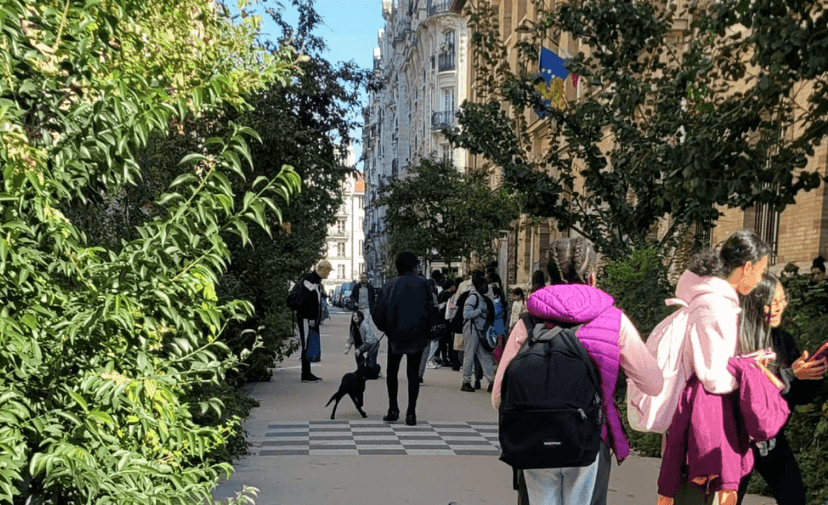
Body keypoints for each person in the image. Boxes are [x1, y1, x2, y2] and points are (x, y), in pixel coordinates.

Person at [492, 237, 664, 505]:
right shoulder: (614, 320)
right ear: (593, 276)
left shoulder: (528, 322)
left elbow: (498, 398)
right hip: (590, 439)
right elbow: (654, 384)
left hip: (532, 440)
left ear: (549, 279)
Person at [658, 230, 771, 504]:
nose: (758, 281)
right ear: (746, 268)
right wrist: (748, 368)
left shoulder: (711, 300)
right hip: (707, 427)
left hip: (697, 421)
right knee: (697, 495)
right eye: (759, 271)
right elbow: (713, 376)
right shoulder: (716, 306)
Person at [736, 273, 827, 505]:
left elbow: (797, 397)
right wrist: (789, 376)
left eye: (781, 300)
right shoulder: (735, 339)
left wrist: (811, 376)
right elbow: (748, 395)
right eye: (771, 301)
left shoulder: (782, 340)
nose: (778, 308)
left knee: (794, 497)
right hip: (738, 441)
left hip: (772, 438)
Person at [372, 251, 431, 426]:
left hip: (395, 335)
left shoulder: (390, 285)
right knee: (413, 375)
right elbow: (431, 310)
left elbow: (377, 311)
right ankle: (411, 412)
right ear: (414, 265)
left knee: (392, 372)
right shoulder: (424, 284)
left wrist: (387, 328)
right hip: (417, 335)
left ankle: (393, 408)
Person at [294, 260, 332, 383]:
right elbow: (306, 301)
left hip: (310, 319)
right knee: (306, 343)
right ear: (323, 270)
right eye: (328, 271)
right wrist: (310, 317)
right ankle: (305, 374)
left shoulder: (314, 282)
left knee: (309, 343)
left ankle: (307, 372)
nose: (328, 274)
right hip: (305, 318)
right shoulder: (309, 281)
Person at [460, 272, 497, 393]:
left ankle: (491, 381)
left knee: (484, 356)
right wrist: (479, 310)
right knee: (469, 355)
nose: (487, 287)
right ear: (479, 286)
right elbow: (466, 314)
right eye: (484, 285)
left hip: (479, 330)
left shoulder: (480, 297)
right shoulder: (473, 297)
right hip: (472, 329)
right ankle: (466, 381)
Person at [347, 273, 377, 357]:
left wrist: (372, 307)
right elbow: (352, 296)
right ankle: (360, 338)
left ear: (367, 278)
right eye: (362, 278)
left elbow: (373, 298)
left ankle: (367, 340)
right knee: (358, 324)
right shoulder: (357, 287)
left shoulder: (370, 288)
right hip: (359, 308)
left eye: (365, 278)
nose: (363, 279)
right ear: (360, 278)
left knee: (366, 324)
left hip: (367, 308)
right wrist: (354, 302)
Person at [436, 279, 456, 367]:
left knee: (442, 341)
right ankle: (448, 358)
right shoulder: (450, 295)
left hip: (440, 320)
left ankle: (443, 358)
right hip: (447, 320)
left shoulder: (440, 294)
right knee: (448, 341)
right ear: (451, 286)